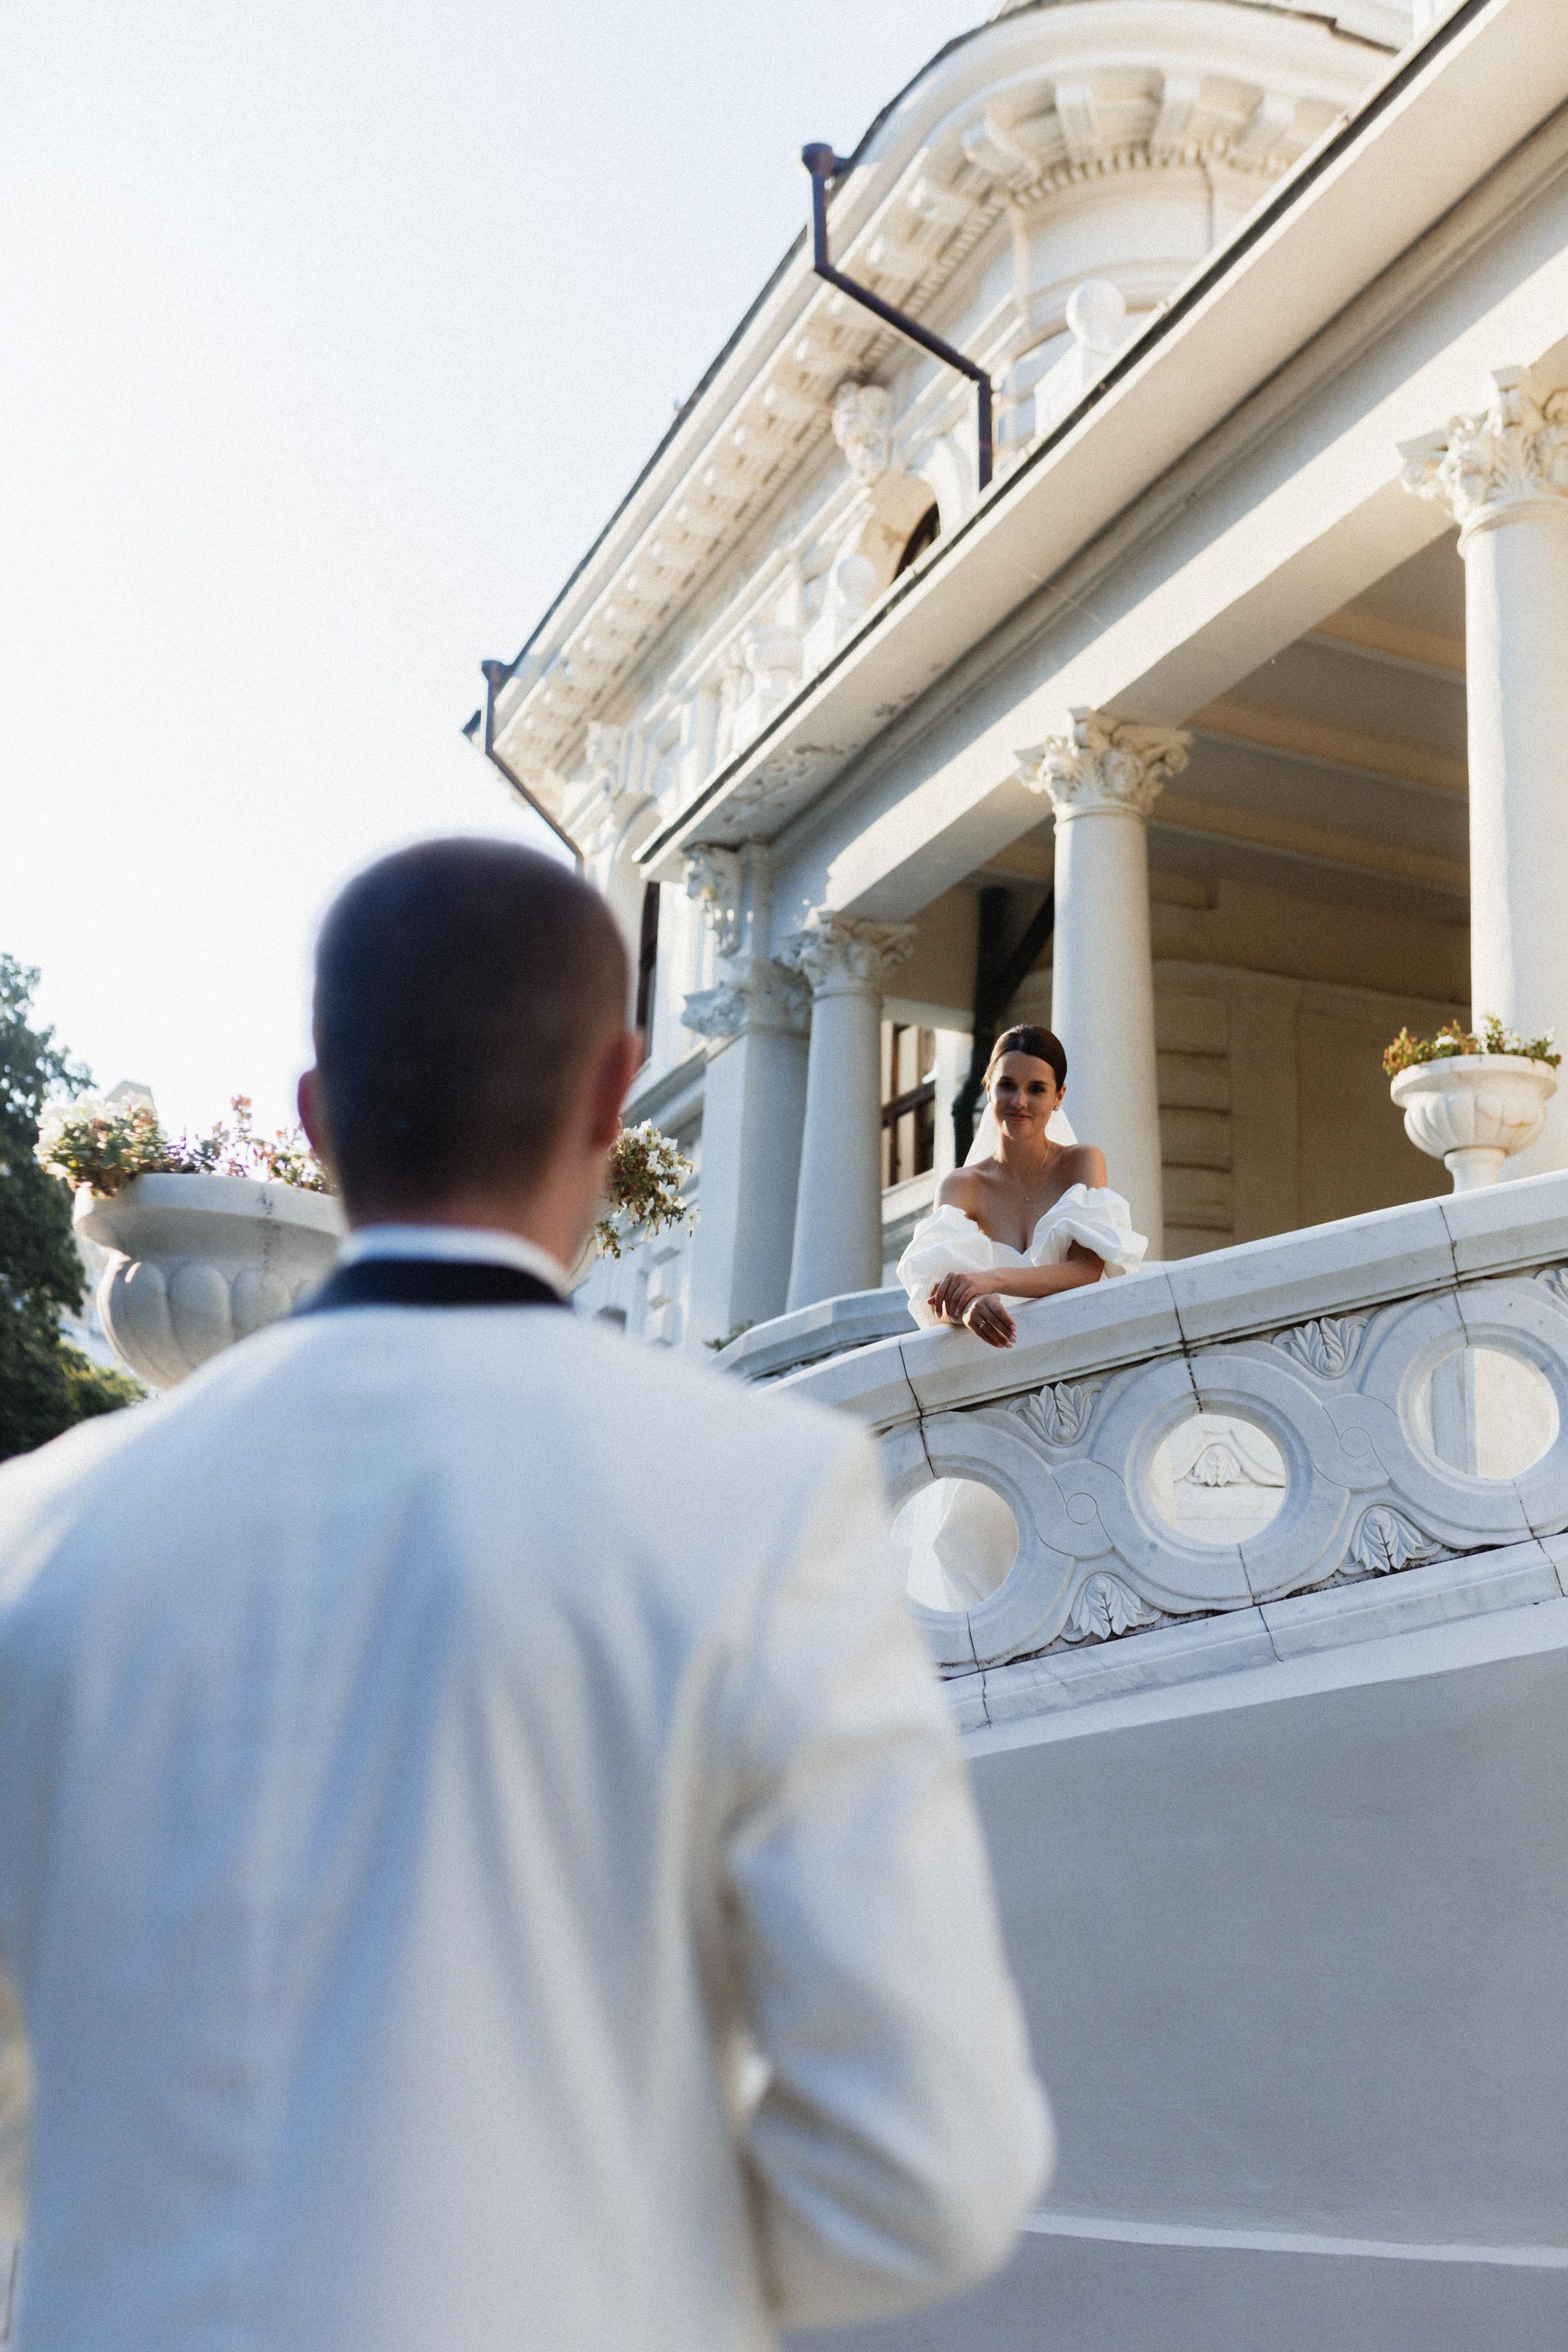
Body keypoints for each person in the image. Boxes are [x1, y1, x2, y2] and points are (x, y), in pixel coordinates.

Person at [0, 840, 1049, 2352]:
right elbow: (923, 2171)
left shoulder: (41, 1522)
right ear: (614, 1096)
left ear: (318, 1111)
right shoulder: (763, 1499)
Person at [897, 1025, 1147, 1353]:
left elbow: (1087, 1268)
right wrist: (970, 1308)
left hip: (1078, 1352)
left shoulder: (1081, 1161)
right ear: (988, 1088)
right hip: (997, 1362)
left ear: (1059, 1097)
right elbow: (936, 1297)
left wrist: (993, 1281)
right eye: (1007, 1086)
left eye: (1037, 1089)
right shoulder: (961, 1186)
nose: (1019, 1101)